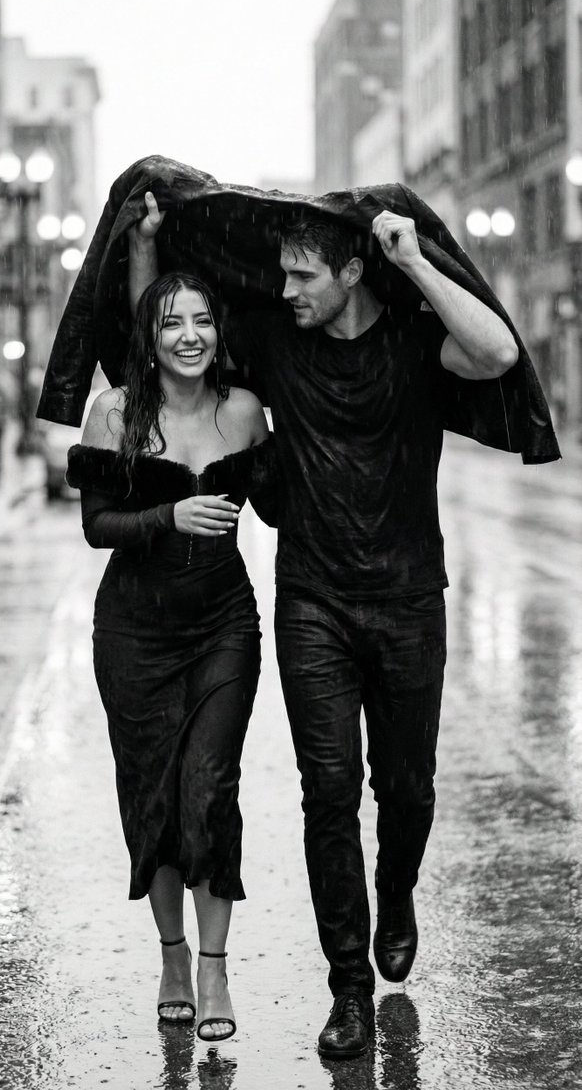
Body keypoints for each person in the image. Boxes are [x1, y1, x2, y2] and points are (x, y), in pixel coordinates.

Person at [128, 191, 522, 1060]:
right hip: (314, 601)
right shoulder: (273, 340)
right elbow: (161, 338)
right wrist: (151, 245)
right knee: (329, 793)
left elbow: (497, 352)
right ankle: (347, 986)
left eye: (304, 273)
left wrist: (415, 259)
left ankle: (400, 888)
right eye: (282, 273)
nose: (287, 286)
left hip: (412, 598)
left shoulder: (419, 343)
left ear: (352, 272)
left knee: (407, 787)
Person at [65, 270, 276, 1043]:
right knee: (153, 799)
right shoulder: (112, 413)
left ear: (220, 332)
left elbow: (285, 501)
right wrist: (169, 513)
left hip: (224, 624)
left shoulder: (246, 412)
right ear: (148, 340)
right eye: (171, 324)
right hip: (133, 632)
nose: (190, 335)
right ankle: (174, 958)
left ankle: (217, 967)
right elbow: (97, 526)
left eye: (203, 321)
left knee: (210, 789)